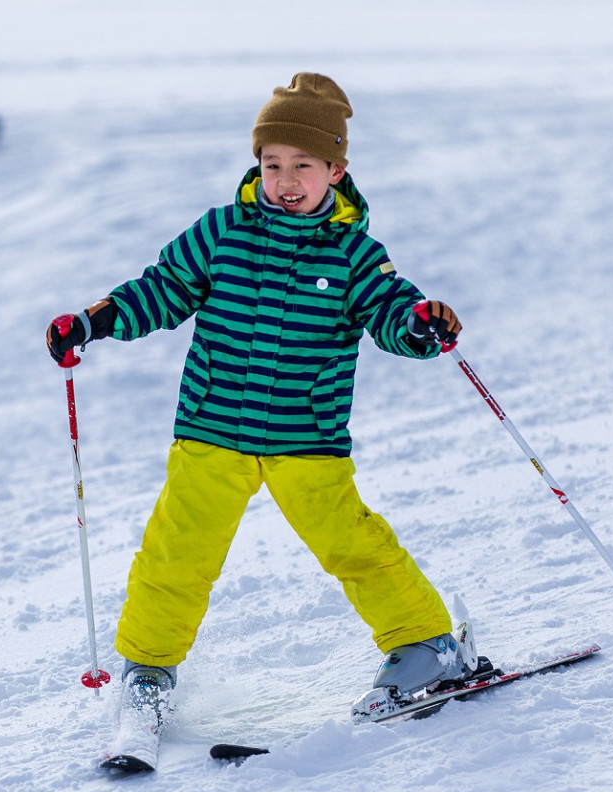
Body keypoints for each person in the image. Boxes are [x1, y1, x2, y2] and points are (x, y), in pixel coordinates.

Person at [46, 73, 473, 708]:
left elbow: (390, 310)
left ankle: (426, 643)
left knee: (351, 543)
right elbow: (161, 288)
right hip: (211, 427)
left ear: (336, 169)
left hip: (306, 436)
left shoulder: (354, 254)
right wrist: (95, 319)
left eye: (303, 164)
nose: (286, 180)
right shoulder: (221, 232)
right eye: (272, 164)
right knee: (177, 551)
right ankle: (149, 669)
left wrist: (420, 325)